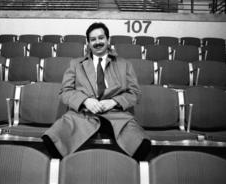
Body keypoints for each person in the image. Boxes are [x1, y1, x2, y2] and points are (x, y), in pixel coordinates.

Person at [42, 22, 150, 160]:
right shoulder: (75, 64)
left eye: (101, 38)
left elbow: (135, 93)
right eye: (93, 39)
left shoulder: (124, 64)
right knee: (51, 140)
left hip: (117, 116)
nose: (97, 42)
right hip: (82, 115)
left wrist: (114, 102)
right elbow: (65, 92)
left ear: (108, 40)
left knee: (143, 145)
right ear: (88, 43)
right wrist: (85, 100)